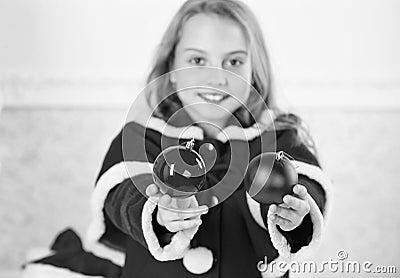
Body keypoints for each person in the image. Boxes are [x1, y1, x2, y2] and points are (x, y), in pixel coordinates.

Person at [23, 0, 331, 277]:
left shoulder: (277, 136)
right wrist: (159, 213)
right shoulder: (144, 135)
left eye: (234, 62)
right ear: (171, 67)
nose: (217, 77)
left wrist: (293, 213)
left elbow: (305, 178)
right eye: (198, 61)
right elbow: (120, 193)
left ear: (254, 71)